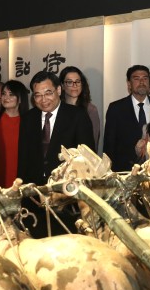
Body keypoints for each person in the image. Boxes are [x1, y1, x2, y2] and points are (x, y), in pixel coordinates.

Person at [17, 71, 95, 238]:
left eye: (48, 93)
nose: (43, 99)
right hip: (34, 199)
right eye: (38, 95)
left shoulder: (77, 116)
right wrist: (22, 194)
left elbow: (87, 160)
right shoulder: (28, 119)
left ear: (59, 90)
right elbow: (23, 159)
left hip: (67, 199)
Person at [103, 65, 150, 172]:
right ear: (129, 84)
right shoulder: (116, 108)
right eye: (136, 79)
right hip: (125, 171)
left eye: (145, 78)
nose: (141, 82)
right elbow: (109, 146)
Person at [0, 80, 29, 188]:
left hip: (21, 175)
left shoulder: (28, 121)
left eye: (11, 94)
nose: (6, 97)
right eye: (4, 93)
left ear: (20, 98)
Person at [59, 66, 101, 147]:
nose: (74, 85)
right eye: (69, 82)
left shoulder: (91, 109)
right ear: (62, 86)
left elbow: (93, 141)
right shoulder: (57, 108)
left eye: (77, 82)